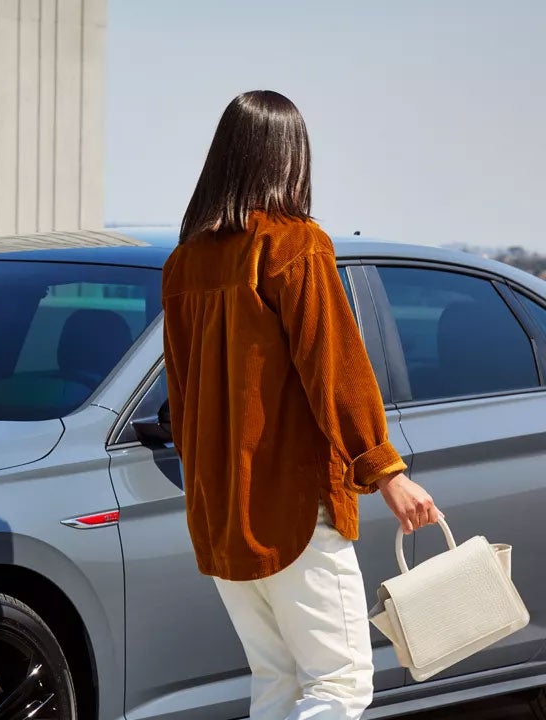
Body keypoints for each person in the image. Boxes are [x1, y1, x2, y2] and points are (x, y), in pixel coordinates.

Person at [160, 90, 441, 720]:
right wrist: (386, 470)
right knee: (339, 686)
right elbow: (335, 369)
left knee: (278, 682)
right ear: (289, 157)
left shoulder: (185, 263)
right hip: (292, 508)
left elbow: (181, 398)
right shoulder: (294, 244)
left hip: (219, 513)